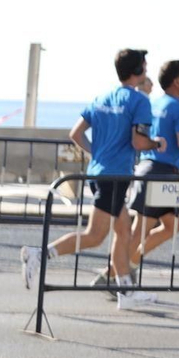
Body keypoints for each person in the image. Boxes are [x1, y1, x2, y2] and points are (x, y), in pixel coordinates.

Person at [21, 48, 167, 309]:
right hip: (116, 175)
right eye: (144, 65)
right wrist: (157, 144)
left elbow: (75, 133)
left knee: (123, 231)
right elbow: (138, 140)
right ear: (138, 70)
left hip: (98, 172)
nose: (146, 69)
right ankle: (38, 254)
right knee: (95, 235)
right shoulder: (139, 100)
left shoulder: (102, 97)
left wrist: (97, 152)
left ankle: (125, 291)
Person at [117, 60, 179, 286]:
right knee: (141, 229)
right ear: (177, 80)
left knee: (171, 226)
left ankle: (128, 265)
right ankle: (113, 274)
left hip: (150, 168)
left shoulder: (154, 104)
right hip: (161, 172)